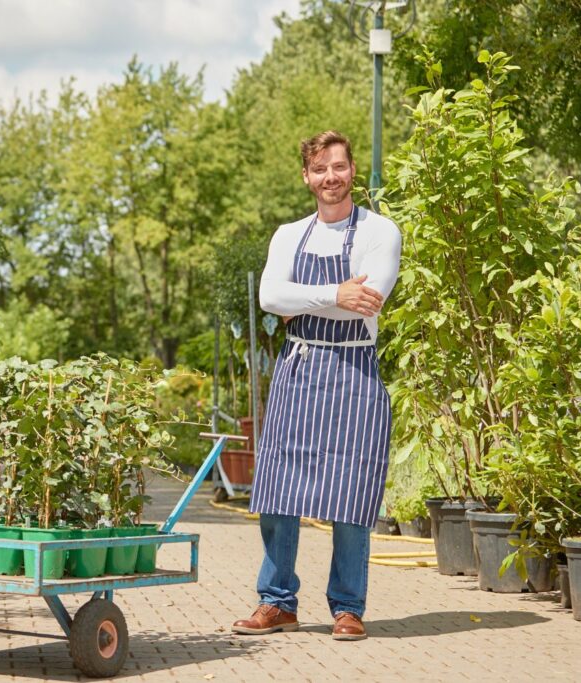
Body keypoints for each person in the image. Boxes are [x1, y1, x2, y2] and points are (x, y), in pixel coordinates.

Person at [232, 130, 402, 642]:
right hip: (299, 369)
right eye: (320, 169)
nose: (331, 177)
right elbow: (268, 296)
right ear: (306, 177)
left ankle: (348, 607)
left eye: (339, 167)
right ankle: (276, 602)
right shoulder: (288, 235)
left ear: (353, 171)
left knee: (351, 493)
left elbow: (368, 299)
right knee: (279, 490)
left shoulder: (381, 231)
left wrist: (301, 298)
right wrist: (333, 293)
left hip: (355, 373)